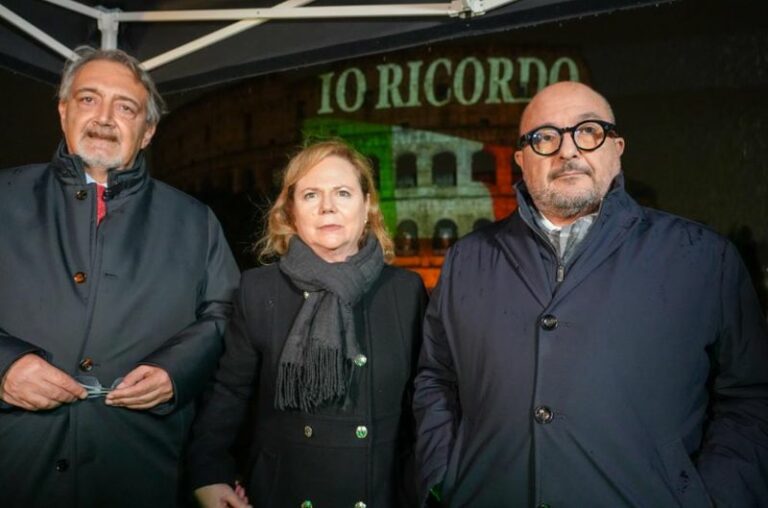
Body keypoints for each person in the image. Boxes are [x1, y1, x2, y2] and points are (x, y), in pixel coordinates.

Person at [413, 81, 768, 507]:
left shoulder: (705, 259)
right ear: (521, 160)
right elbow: (436, 380)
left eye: (588, 131)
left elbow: (750, 397)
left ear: (616, 149)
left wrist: (716, 500)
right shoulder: (466, 261)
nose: (568, 151)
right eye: (545, 137)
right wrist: (441, 479)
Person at [0, 47, 239, 507]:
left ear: (147, 132)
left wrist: (176, 371)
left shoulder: (195, 221)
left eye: (125, 107)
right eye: (89, 99)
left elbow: (225, 313)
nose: (105, 118)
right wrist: (4, 366)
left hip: (140, 469)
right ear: (63, 110)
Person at [186, 140, 427, 508]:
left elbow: (423, 403)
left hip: (381, 492)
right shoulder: (258, 289)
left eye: (343, 193)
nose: (327, 206)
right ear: (291, 213)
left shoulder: (406, 291)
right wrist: (208, 473)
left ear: (367, 208)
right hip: (283, 491)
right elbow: (230, 392)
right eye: (311, 194)